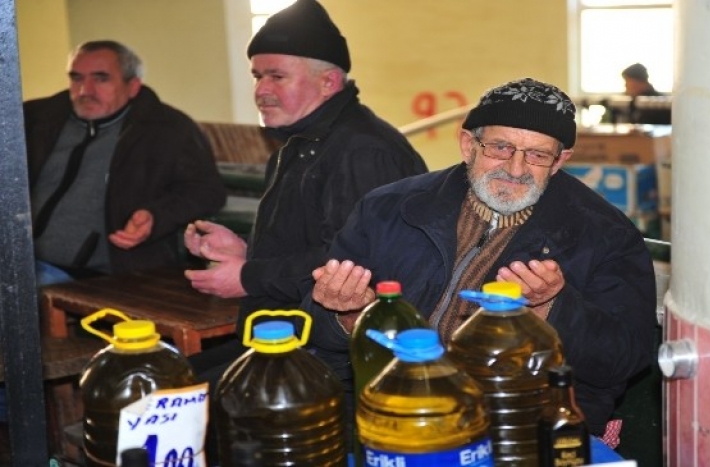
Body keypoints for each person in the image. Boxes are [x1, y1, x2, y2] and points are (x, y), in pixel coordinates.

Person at [302, 78, 657, 442]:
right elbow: (314, 325)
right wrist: (345, 316)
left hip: (521, 426)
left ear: (559, 161)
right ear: (468, 144)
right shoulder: (389, 208)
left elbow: (625, 358)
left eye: (537, 155)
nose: (516, 169)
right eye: (500, 148)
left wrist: (551, 308)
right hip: (389, 408)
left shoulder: (605, 234)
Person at [182, 0, 427, 404]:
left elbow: (355, 265)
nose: (261, 90)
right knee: (170, 382)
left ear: (329, 82)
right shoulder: (298, 143)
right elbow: (316, 241)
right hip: (285, 336)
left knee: (183, 402)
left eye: (277, 76)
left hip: (339, 356)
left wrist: (248, 276)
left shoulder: (363, 151)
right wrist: (244, 252)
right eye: (258, 76)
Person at [24, 40, 226, 284]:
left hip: (102, 272)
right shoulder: (35, 118)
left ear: (133, 86)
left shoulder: (169, 129)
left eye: (101, 79)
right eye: (76, 78)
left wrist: (156, 216)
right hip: (18, 260)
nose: (84, 91)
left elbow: (207, 191)